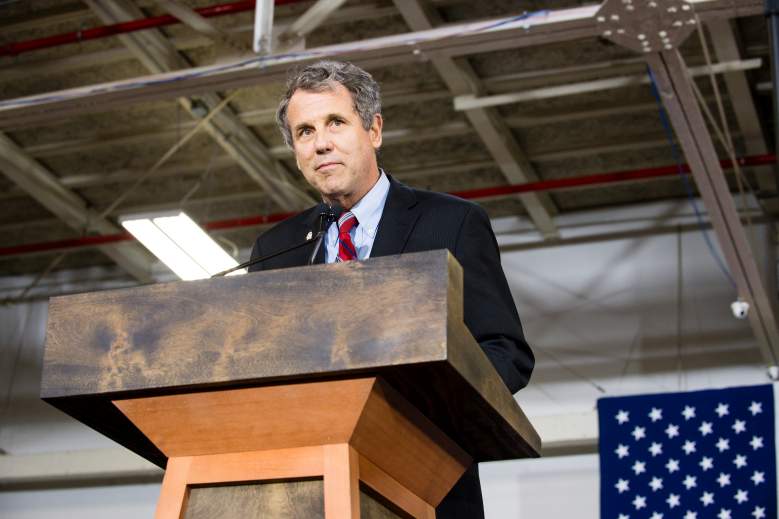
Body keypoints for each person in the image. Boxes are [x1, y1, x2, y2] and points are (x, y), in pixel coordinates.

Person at [249, 60, 533, 519]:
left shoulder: (452, 222)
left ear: (374, 129)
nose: (321, 143)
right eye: (304, 132)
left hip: (427, 485)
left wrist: (418, 413)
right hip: (306, 491)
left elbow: (504, 353)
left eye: (335, 123)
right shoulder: (275, 249)